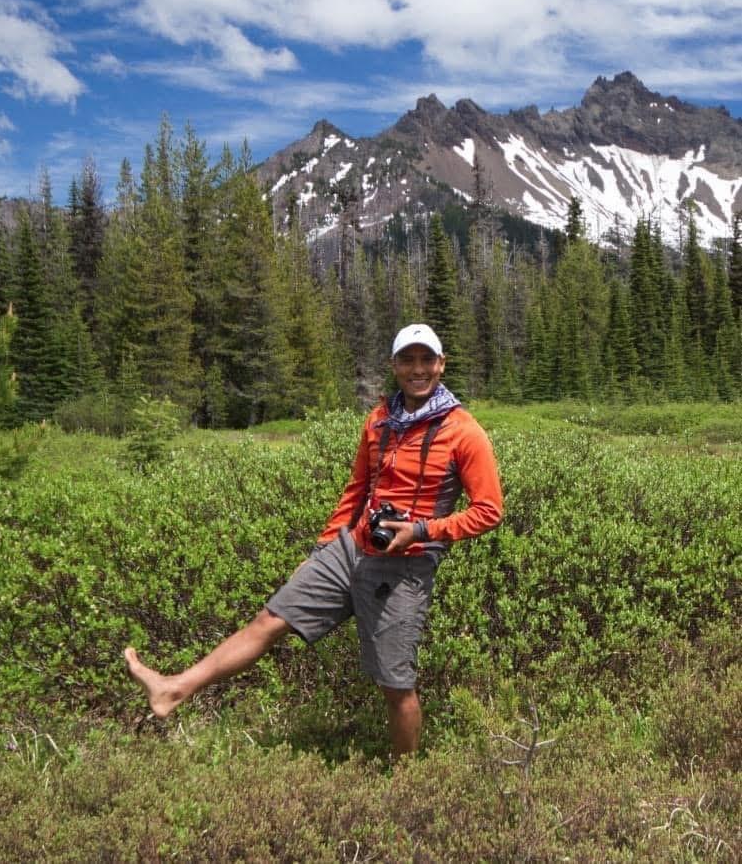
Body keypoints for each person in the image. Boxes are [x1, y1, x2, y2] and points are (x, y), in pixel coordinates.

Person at [124, 323, 503, 757]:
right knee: (269, 621)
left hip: (406, 567)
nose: (417, 369)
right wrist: (322, 550)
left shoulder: (463, 431)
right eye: (407, 360)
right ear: (394, 365)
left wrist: (421, 530)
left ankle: (406, 779)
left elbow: (488, 511)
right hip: (351, 548)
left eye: (425, 360)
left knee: (395, 684)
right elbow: (356, 491)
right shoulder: (379, 419)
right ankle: (173, 689)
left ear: (441, 364)